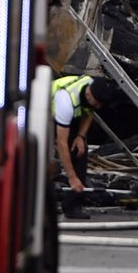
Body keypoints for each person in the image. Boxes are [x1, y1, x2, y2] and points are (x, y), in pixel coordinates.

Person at [52, 74, 117, 219]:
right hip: (45, 113)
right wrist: (72, 177)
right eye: (97, 103)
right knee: (44, 160)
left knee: (80, 151)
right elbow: (61, 143)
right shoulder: (66, 101)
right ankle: (44, 204)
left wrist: (80, 136)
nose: (98, 106)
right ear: (88, 94)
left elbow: (89, 112)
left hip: (70, 115)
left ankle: (73, 205)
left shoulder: (91, 87)